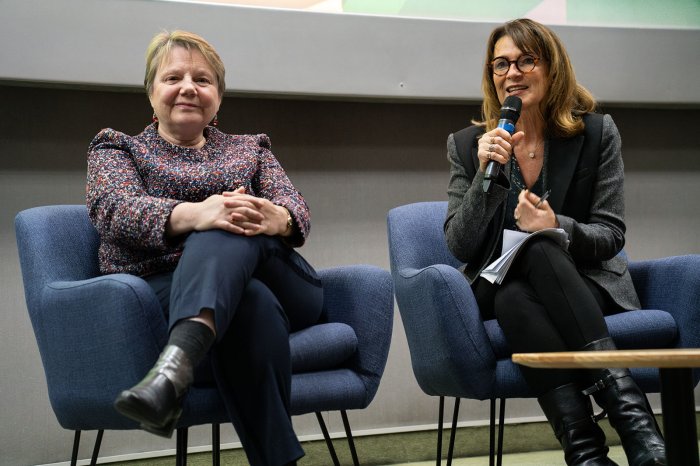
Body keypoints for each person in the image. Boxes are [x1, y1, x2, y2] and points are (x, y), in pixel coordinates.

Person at [86, 30, 323, 466]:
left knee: (229, 221)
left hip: (283, 279)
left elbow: (296, 207)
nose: (189, 88)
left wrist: (280, 218)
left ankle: (174, 368)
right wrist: (198, 213)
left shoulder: (251, 149)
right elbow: (114, 210)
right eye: (173, 77)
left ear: (218, 96)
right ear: (150, 93)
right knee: (249, 302)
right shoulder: (118, 148)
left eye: (203, 79)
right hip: (161, 290)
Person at [444, 19, 665, 466]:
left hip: (582, 284)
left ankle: (586, 454)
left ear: (552, 67)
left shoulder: (596, 133)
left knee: (527, 274)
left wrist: (556, 226)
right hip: (496, 277)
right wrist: (487, 180)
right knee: (524, 265)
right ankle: (639, 429)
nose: (513, 73)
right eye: (501, 64)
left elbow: (611, 234)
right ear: (491, 75)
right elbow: (460, 246)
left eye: (527, 60)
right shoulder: (469, 146)